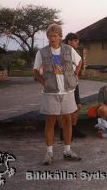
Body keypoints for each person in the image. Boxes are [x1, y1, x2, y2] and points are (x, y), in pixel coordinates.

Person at [33, 24, 82, 165]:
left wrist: (76, 75)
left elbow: (79, 62)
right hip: (50, 93)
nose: (52, 38)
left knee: (67, 120)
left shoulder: (68, 49)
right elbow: (36, 70)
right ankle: (49, 153)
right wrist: (44, 82)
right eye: (50, 36)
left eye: (55, 36)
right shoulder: (41, 52)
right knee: (50, 122)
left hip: (67, 92)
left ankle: (67, 151)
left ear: (60, 37)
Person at [58, 33, 86, 140]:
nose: (77, 42)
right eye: (75, 40)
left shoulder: (71, 50)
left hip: (73, 83)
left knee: (77, 106)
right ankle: (63, 131)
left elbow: (79, 62)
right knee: (63, 109)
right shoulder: (63, 49)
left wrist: (76, 74)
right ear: (69, 41)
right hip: (63, 84)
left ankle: (72, 129)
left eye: (77, 40)